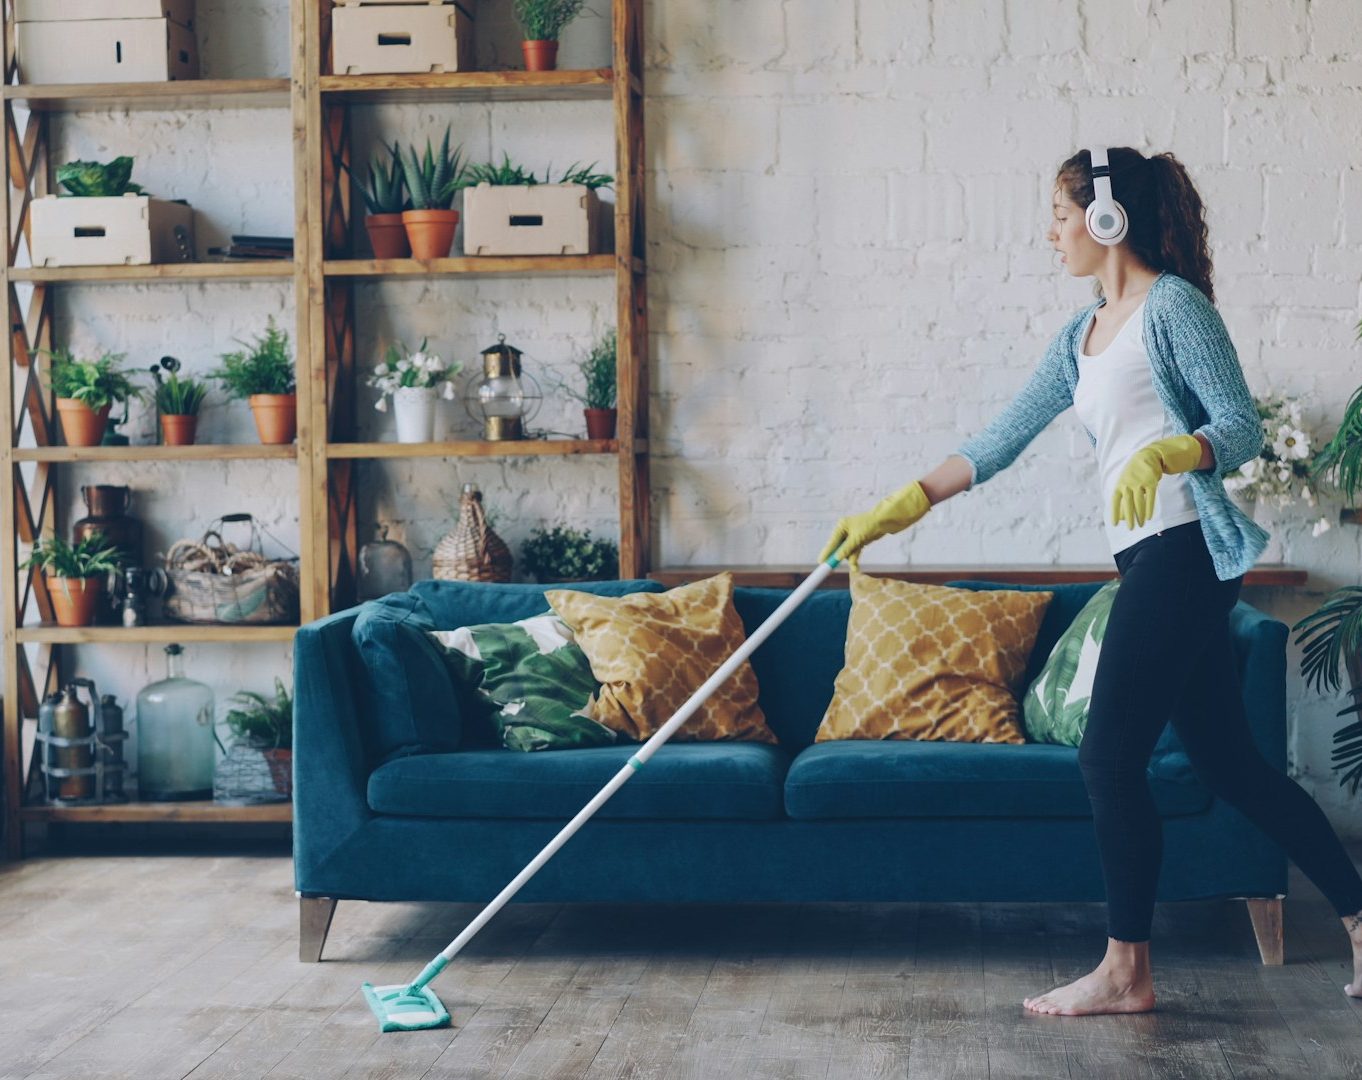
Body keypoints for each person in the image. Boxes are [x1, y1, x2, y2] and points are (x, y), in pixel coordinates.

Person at [819, 146, 1362, 1016]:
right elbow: (999, 440)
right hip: (1144, 557)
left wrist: (1178, 449)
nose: (1052, 234)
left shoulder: (1172, 307)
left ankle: (1126, 971)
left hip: (1184, 549)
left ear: (1109, 219)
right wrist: (899, 505)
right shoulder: (1079, 334)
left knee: (1108, 755)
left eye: (1063, 216)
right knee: (1230, 763)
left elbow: (1239, 424)